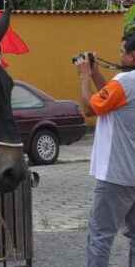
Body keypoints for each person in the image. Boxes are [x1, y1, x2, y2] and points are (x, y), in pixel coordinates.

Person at [75, 33, 135, 267]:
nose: (119, 55)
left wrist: (83, 77)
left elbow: (90, 109)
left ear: (132, 56)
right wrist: (97, 73)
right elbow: (111, 98)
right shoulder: (123, 85)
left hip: (116, 175)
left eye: (122, 51)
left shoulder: (125, 82)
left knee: (100, 237)